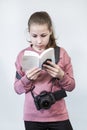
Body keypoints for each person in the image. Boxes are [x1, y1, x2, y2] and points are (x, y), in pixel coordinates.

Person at [14, 11, 75, 130]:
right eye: (34, 36)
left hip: (59, 116)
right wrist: (27, 79)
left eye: (43, 35)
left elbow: (71, 86)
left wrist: (61, 75)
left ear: (50, 31)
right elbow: (17, 89)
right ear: (29, 33)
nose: (39, 41)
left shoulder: (62, 53)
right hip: (32, 117)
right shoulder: (22, 56)